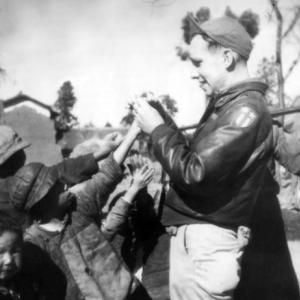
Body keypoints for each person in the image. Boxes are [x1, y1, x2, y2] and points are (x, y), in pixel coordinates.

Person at [131, 15, 273, 300]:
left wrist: (157, 129)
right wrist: (162, 118)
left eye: (198, 62)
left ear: (227, 58)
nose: (194, 73)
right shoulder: (231, 106)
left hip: (208, 245)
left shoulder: (246, 110)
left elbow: (195, 172)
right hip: (201, 242)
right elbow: (195, 159)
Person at [7, 122, 153, 300]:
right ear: (42, 200)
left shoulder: (80, 210)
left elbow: (108, 173)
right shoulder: (35, 246)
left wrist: (134, 130)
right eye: (59, 186)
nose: (67, 184)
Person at [0, 125, 123, 230]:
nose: (22, 157)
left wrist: (103, 152)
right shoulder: (19, 182)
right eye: (16, 155)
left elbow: (59, 170)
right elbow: (59, 172)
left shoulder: (21, 178)